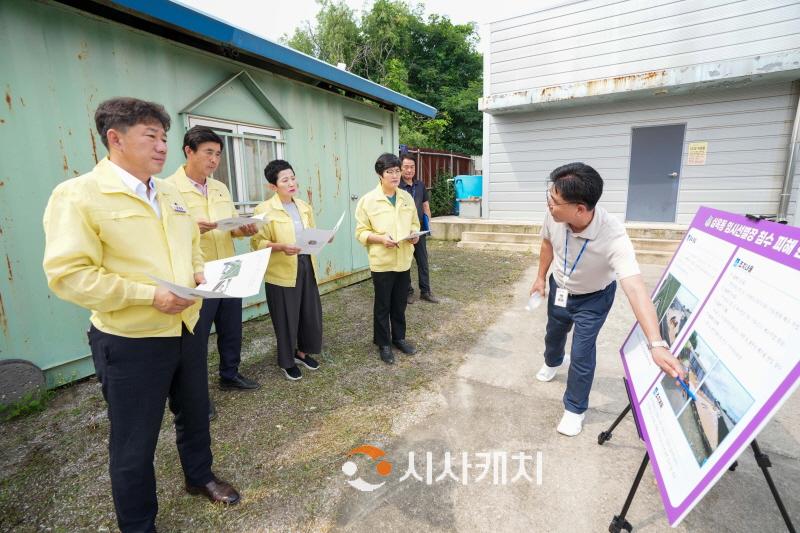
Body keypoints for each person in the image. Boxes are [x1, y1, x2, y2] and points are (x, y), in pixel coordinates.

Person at [42, 98, 240, 533]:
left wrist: (198, 273)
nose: (161, 146)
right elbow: (69, 275)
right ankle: (138, 522)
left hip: (185, 325)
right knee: (135, 439)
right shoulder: (78, 196)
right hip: (130, 339)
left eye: (164, 137)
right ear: (115, 139)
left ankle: (200, 476)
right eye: (150, 136)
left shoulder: (168, 192)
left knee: (195, 409)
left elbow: (188, 244)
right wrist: (148, 296)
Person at [530, 162, 685, 437]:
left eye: (554, 201)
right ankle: (553, 361)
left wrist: (657, 343)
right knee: (554, 333)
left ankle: (575, 408)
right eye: (549, 197)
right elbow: (546, 243)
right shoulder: (553, 216)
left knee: (581, 352)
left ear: (580, 208)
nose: (549, 205)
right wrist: (541, 277)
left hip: (593, 299)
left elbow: (635, 287)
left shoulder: (613, 235)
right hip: (560, 288)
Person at [166, 126, 260, 398]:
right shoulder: (169, 189)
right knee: (195, 339)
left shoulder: (219, 187)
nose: (214, 160)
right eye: (208, 152)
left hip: (229, 270)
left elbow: (230, 225)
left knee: (232, 329)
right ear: (188, 151)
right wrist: (193, 228)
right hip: (198, 276)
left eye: (218, 154)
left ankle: (230, 375)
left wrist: (244, 229)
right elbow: (165, 234)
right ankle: (196, 396)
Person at [251, 159, 323, 381]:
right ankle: (287, 361)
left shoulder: (303, 206)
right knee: (285, 317)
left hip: (305, 264)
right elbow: (257, 243)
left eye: (292, 177)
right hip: (281, 270)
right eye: (285, 180)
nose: (291, 183)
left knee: (308, 312)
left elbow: (310, 233)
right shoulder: (263, 210)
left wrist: (322, 238)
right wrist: (281, 247)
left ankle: (302, 352)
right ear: (273, 186)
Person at [355, 153, 421, 364]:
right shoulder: (368, 201)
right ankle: (383, 343)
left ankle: (399, 338)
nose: (395, 175)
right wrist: (380, 238)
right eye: (389, 172)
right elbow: (361, 232)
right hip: (382, 261)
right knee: (383, 304)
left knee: (399, 303)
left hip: (403, 260)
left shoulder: (406, 197)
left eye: (397, 171)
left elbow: (415, 223)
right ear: (380, 174)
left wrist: (414, 235)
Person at [399, 153, 439, 304]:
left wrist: (428, 223)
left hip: (420, 230)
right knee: (406, 262)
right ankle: (408, 291)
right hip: (404, 231)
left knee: (423, 261)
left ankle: (425, 291)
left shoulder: (420, 185)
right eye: (406, 167)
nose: (409, 170)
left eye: (412, 167)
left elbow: (425, 206)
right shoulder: (398, 187)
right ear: (400, 168)